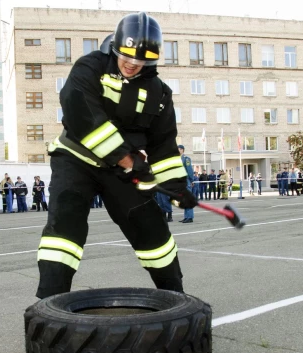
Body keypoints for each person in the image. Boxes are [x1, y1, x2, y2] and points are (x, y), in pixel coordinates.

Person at [35, 12, 197, 299]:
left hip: (123, 172)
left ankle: (177, 297)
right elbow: (83, 115)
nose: (132, 65)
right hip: (76, 161)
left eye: (141, 61)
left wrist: (177, 188)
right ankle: (49, 303)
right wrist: (127, 159)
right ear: (116, 46)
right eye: (127, 57)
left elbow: (164, 145)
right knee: (65, 225)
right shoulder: (89, 67)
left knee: (152, 229)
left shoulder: (159, 92)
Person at [178, 145, 194, 223]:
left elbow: (189, 170)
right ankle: (186, 217)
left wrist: (191, 180)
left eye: (180, 149)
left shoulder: (186, 159)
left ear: (183, 150)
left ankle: (190, 217)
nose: (178, 150)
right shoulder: (178, 159)